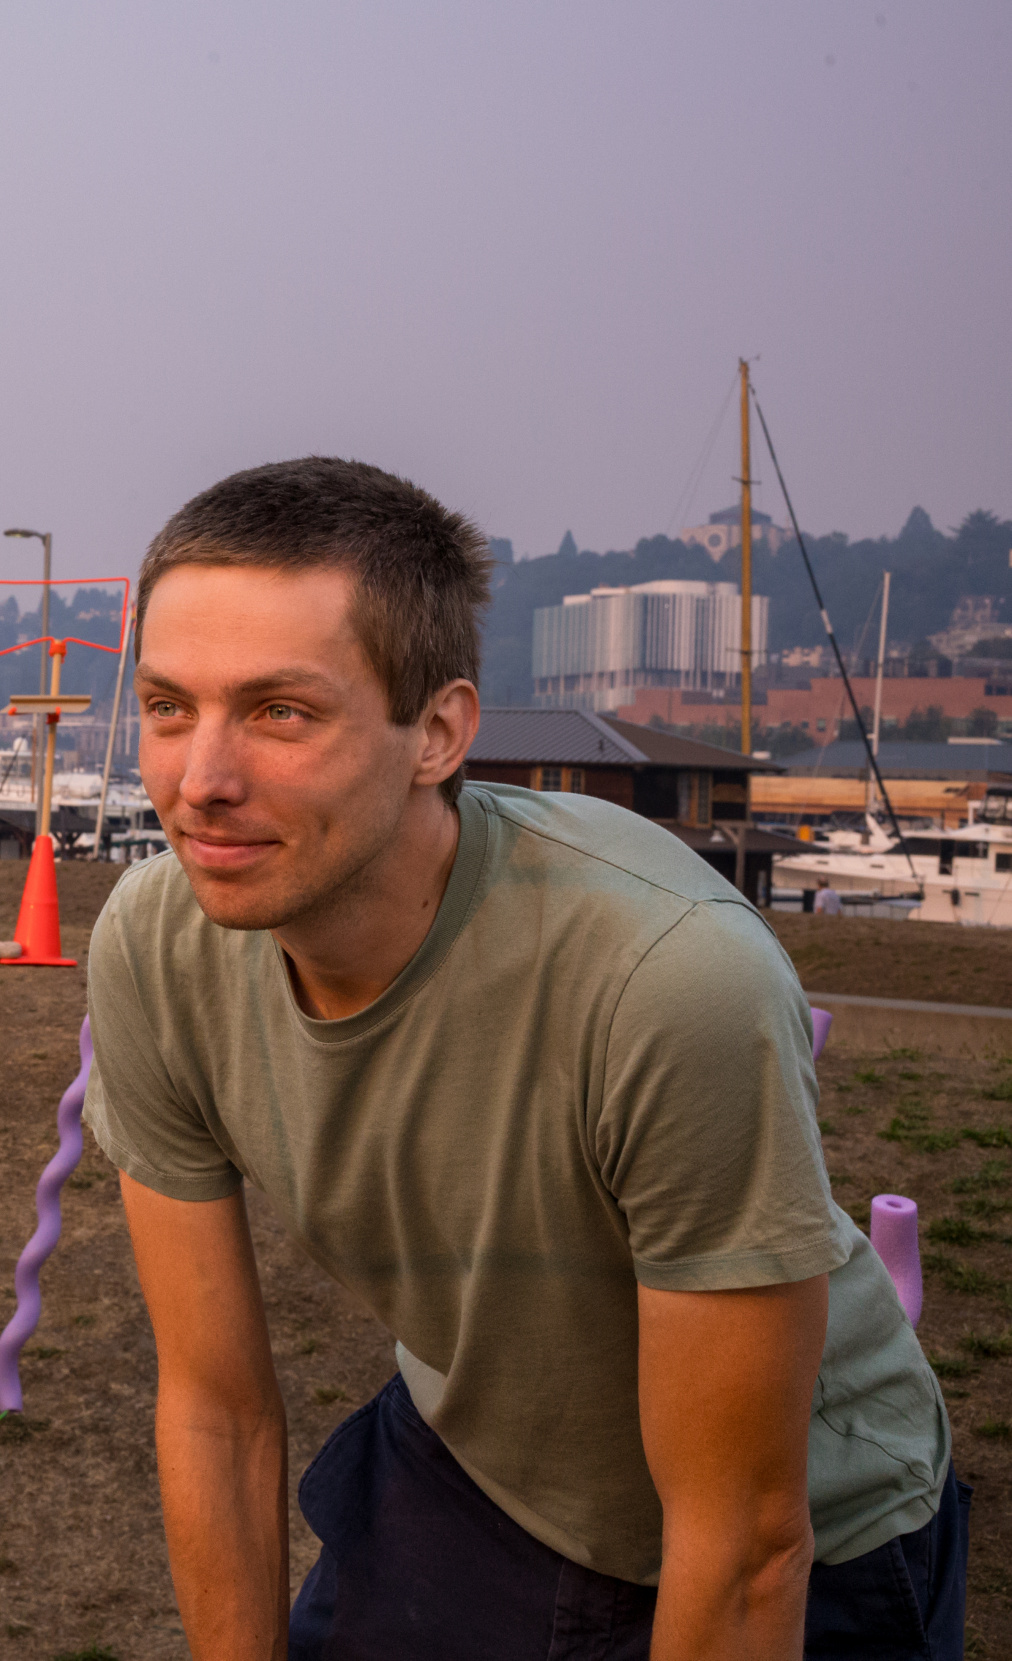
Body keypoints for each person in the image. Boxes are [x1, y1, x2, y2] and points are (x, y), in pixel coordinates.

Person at [85, 458, 961, 1659]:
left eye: (280, 711)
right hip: (479, 1462)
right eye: (168, 705)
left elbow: (747, 1541)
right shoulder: (157, 943)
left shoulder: (666, 979)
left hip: (807, 1524)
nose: (200, 781)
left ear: (438, 732)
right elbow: (214, 1408)